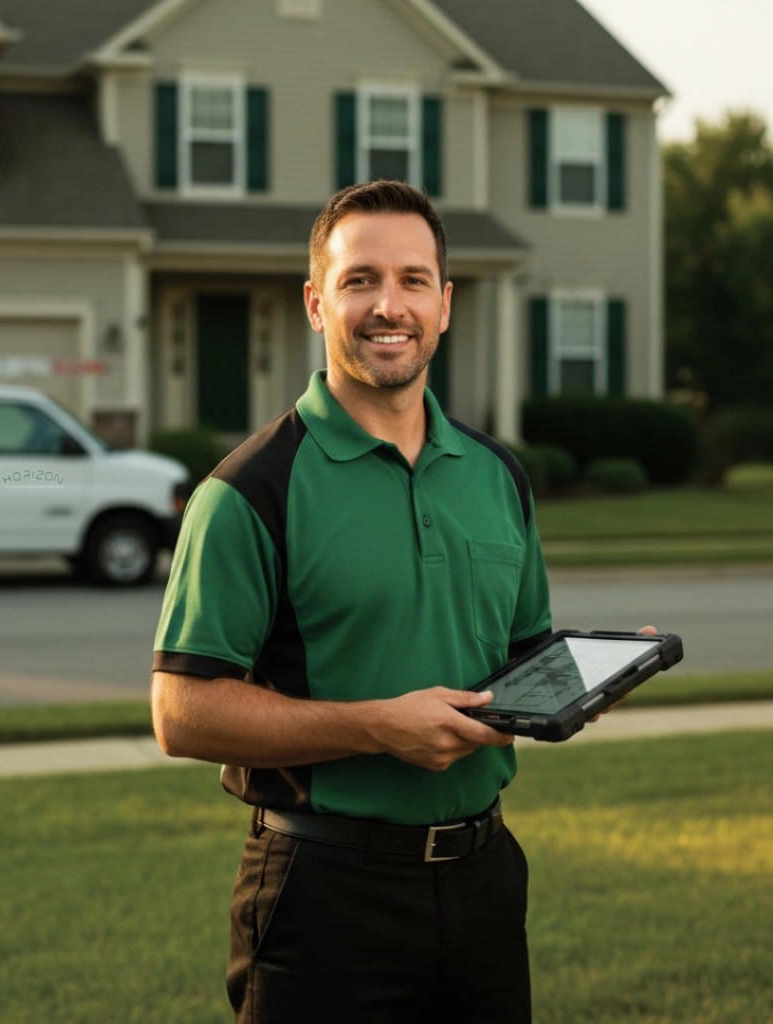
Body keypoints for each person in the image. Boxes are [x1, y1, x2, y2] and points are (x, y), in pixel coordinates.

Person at [151, 179, 638, 1023]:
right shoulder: (247, 491)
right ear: (315, 303)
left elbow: (521, 652)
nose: (389, 306)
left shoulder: (497, 475)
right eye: (360, 280)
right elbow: (182, 713)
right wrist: (377, 726)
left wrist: (572, 685)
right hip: (323, 891)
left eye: (413, 280)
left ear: (445, 305)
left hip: (484, 876)